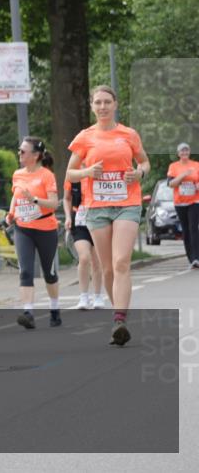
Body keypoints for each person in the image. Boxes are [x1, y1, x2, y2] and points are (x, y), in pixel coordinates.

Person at [66, 84, 150, 346]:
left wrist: (139, 173)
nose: (102, 107)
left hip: (127, 202)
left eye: (107, 102)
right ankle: (120, 318)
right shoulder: (84, 137)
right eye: (97, 102)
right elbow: (70, 173)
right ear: (92, 106)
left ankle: (119, 317)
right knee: (107, 267)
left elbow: (144, 162)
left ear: (115, 104)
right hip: (97, 207)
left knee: (121, 260)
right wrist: (88, 172)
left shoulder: (129, 134)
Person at [5, 137, 61, 329]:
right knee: (25, 271)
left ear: (35, 155)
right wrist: (11, 213)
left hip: (45, 228)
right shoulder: (17, 174)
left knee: (49, 273)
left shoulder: (46, 175)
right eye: (19, 150)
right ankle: (28, 312)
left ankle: (55, 310)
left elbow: (54, 203)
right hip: (23, 229)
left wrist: (35, 200)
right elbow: (16, 195)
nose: (19, 154)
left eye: (23, 151)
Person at [63, 179, 106, 309]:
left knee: (96, 261)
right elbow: (66, 198)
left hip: (99, 222)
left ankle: (98, 296)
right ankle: (83, 297)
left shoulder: (99, 173)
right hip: (80, 223)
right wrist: (68, 217)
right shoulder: (73, 176)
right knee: (84, 257)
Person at [168, 142, 199, 268]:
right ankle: (191, 258)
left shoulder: (196, 165)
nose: (184, 153)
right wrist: (183, 175)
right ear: (178, 153)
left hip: (195, 201)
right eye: (182, 151)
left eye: (186, 151)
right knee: (185, 230)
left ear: (189, 152)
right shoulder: (174, 166)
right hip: (180, 202)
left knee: (193, 227)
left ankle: (197, 257)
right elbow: (171, 184)